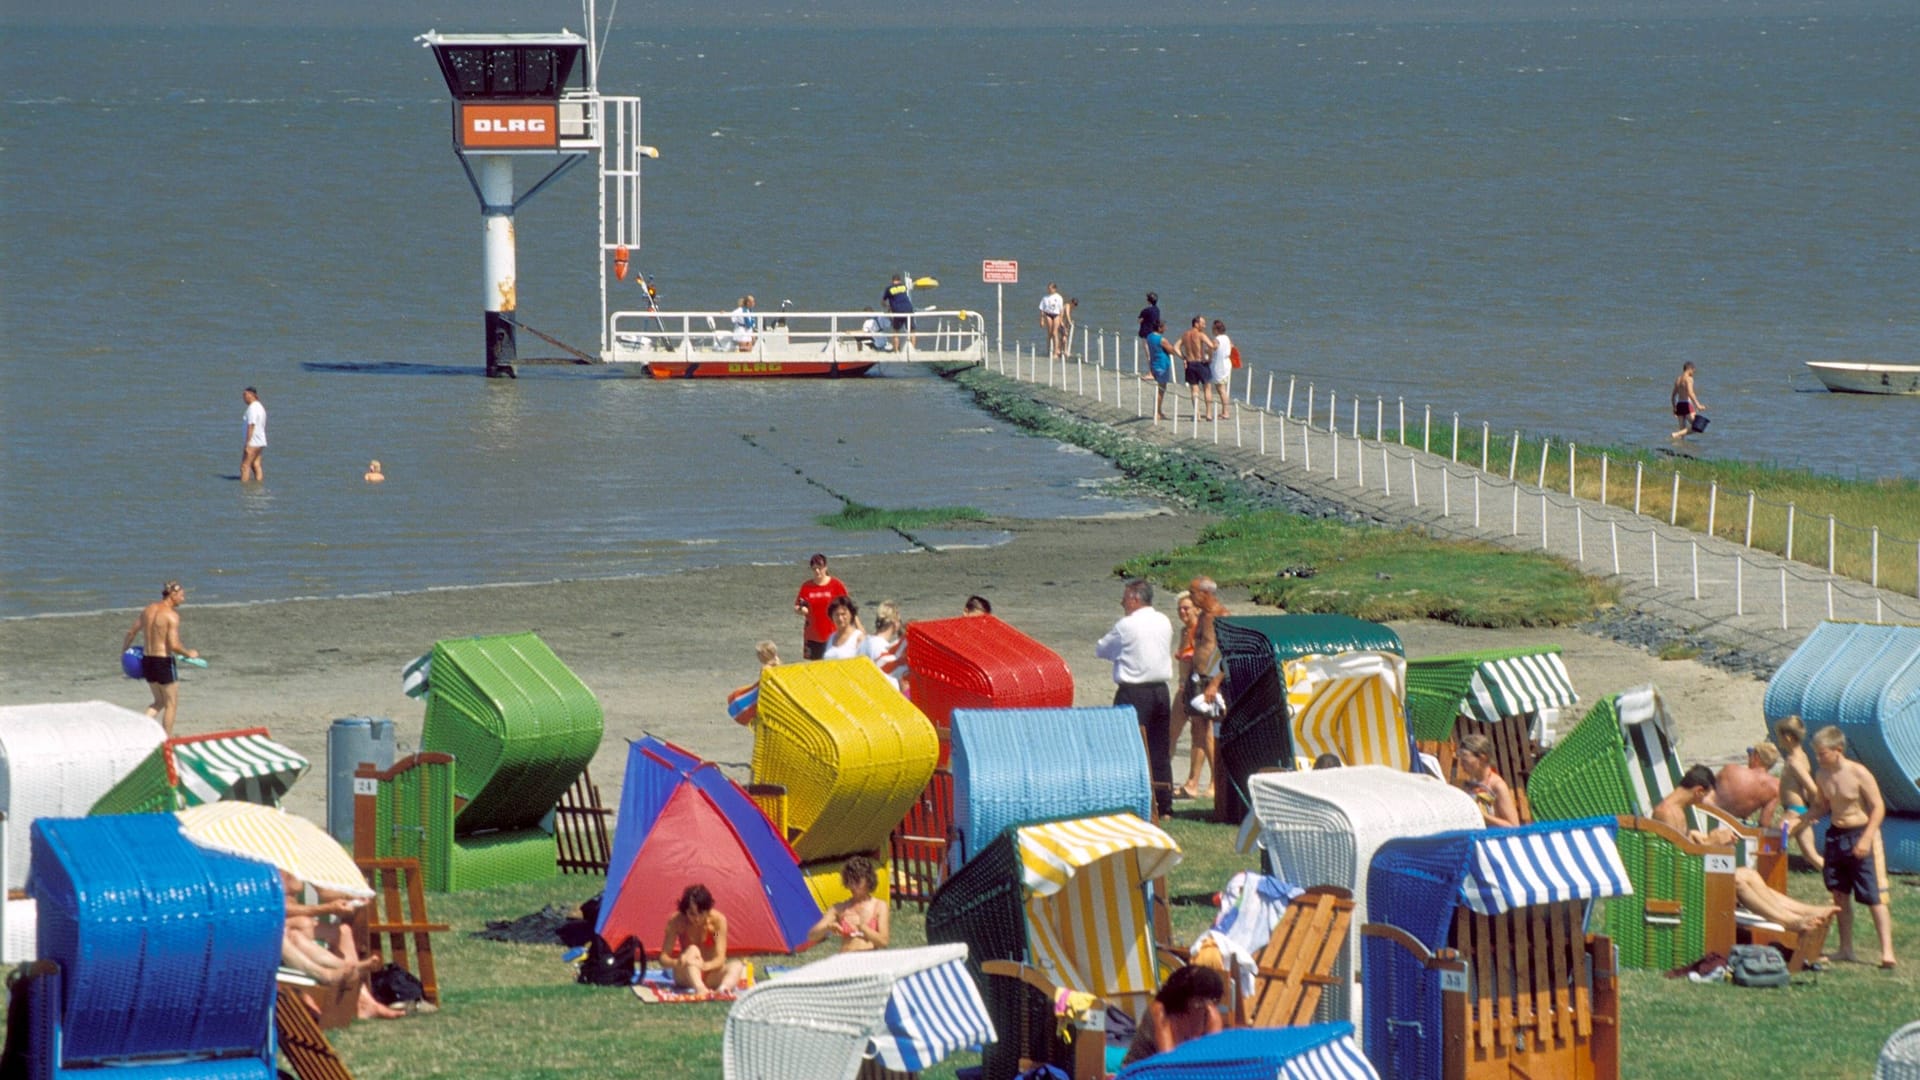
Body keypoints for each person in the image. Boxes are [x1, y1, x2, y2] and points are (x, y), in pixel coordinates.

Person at [1653, 765, 1837, 957]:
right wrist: (1710, 842)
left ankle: (1805, 911)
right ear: (1698, 790)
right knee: (1739, 880)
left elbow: (1679, 847)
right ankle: (1790, 922)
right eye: (1704, 796)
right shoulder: (1667, 813)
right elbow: (1674, 863)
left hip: (1690, 874)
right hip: (1681, 884)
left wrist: (1697, 837)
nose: (1703, 801)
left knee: (1749, 874)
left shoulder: (1675, 810)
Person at [1810, 726, 1895, 967]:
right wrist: (1802, 819)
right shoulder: (1822, 775)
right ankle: (1845, 948)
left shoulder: (1859, 773)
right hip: (1837, 836)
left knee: (1874, 895)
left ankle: (1887, 952)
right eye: (1816, 753)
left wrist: (1866, 838)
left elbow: (1878, 807)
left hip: (1861, 832)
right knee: (1839, 894)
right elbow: (1821, 805)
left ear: (1838, 750)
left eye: (1822, 753)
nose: (1818, 758)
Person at [1096, 578, 1175, 818]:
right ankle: (1164, 805)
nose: (1122, 602)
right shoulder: (1164, 620)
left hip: (1135, 690)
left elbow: (1101, 649)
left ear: (1134, 599)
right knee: (1160, 749)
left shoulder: (1126, 625)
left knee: (1126, 747)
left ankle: (1130, 800)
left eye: (1125, 597)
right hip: (1161, 690)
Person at [121, 580, 197, 736]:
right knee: (171, 704)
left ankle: (138, 731)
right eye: (181, 595)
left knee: (158, 701)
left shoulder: (148, 610)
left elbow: (131, 633)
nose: (183, 599)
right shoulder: (171, 616)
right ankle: (166, 741)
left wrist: (124, 653)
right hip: (163, 662)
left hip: (147, 660)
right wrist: (189, 653)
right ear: (173, 595)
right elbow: (174, 645)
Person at [1119, 965, 1225, 1067]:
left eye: (1210, 999)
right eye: (1199, 1000)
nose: (1205, 1004)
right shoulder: (1160, 1012)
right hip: (1142, 1070)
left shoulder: (1211, 1015)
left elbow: (1213, 1056)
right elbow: (1168, 1061)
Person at [1181, 578, 1227, 799]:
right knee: (1197, 730)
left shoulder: (1221, 616)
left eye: (1193, 593)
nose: (1191, 597)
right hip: (1197, 677)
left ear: (1206, 593)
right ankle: (1193, 782)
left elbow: (1229, 655)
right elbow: (1197, 647)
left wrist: (1215, 683)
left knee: (1214, 733)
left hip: (1212, 680)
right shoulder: (1202, 617)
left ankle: (1216, 781)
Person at [661, 884, 746, 994]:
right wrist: (677, 962)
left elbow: (720, 957)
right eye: (691, 914)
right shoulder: (677, 921)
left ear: (707, 910)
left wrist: (705, 965)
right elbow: (663, 957)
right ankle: (700, 988)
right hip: (687, 973)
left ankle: (723, 989)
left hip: (710, 973)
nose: (696, 919)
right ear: (685, 911)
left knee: (737, 965)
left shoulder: (717, 922)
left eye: (700, 914)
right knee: (693, 949)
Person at [800, 856, 891, 953]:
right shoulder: (839, 908)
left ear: (868, 880)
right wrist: (827, 927)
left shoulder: (880, 906)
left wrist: (864, 929)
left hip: (869, 959)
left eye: (857, 881)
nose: (852, 886)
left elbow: (883, 941)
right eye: (849, 881)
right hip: (845, 959)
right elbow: (811, 936)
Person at [1775, 715, 1824, 869]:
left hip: (1794, 812)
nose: (1778, 741)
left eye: (1779, 737)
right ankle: (1842, 879)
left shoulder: (1794, 762)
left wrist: (1816, 810)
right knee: (1811, 856)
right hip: (1801, 810)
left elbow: (1812, 788)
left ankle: (1765, 878)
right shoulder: (1802, 756)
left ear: (1788, 738)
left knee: (1771, 842)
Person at [1705, 742, 1781, 823]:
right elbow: (1764, 822)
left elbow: (1705, 790)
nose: (1748, 758)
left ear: (1756, 757)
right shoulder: (1775, 787)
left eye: (1750, 754)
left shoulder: (1730, 769)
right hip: (1732, 826)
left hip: (1706, 815)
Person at [1455, 733, 1519, 827]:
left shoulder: (1497, 786)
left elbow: (1513, 826)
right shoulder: (1470, 784)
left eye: (1465, 759)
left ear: (1482, 758)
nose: (1461, 764)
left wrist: (1481, 816)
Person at [794, 554, 849, 660]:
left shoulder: (836, 585)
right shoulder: (806, 587)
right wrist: (801, 610)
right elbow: (798, 605)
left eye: (820, 568)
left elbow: (847, 606)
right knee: (816, 667)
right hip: (812, 635)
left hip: (833, 633)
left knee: (833, 665)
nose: (817, 571)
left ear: (825, 567)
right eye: (814, 569)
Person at [861, 601, 906, 688]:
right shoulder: (882, 648)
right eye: (900, 621)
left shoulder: (865, 641)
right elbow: (889, 680)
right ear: (895, 622)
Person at [1178, 316, 1215, 421]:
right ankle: (1208, 414)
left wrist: (1184, 357)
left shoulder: (1185, 335)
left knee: (1194, 389)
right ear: (1196, 323)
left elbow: (1176, 347)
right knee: (1207, 388)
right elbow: (1211, 346)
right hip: (1201, 363)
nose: (1204, 325)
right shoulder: (1200, 335)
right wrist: (1210, 358)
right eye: (1202, 323)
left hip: (1190, 364)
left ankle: (1197, 414)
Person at [1145, 319, 1176, 420]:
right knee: (1161, 390)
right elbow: (1171, 351)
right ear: (1159, 328)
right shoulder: (1161, 339)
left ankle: (1158, 411)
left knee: (1159, 388)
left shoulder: (1149, 337)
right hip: (1162, 365)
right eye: (1164, 327)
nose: (1165, 329)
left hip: (1154, 364)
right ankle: (1157, 412)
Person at [820, 595, 866, 660]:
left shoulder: (858, 638)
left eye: (843, 614)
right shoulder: (831, 637)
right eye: (836, 614)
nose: (840, 618)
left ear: (851, 614)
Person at [1670, 361, 1705, 440]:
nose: (1693, 373)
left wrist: (1674, 407)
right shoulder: (1689, 379)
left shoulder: (1678, 379)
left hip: (1679, 405)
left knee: (1682, 431)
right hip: (1686, 404)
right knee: (1697, 426)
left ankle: (1681, 449)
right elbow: (1690, 393)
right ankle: (1676, 434)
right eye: (1693, 371)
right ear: (1690, 369)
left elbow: (1673, 396)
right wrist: (1698, 405)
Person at [240, 386, 267, 482]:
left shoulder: (253, 408)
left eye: (245, 395)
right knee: (256, 464)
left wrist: (247, 443)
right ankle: (259, 484)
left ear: (251, 395)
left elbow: (251, 425)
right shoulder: (260, 407)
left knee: (244, 466)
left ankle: (244, 489)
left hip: (253, 442)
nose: (243, 398)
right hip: (260, 441)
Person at [1209, 319, 1234, 421]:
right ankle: (1225, 411)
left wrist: (1208, 351)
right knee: (1222, 388)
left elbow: (1213, 347)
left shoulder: (1217, 339)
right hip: (1226, 363)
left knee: (1221, 389)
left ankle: (1226, 412)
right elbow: (1231, 346)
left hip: (1219, 366)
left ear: (1216, 329)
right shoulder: (1226, 338)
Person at [883, 273, 914, 351]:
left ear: (892, 280)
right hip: (909, 308)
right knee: (912, 330)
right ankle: (913, 349)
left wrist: (888, 306)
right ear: (899, 280)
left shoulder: (889, 288)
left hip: (898, 310)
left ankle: (896, 350)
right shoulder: (904, 286)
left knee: (896, 331)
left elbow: (883, 301)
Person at [1039, 283, 1065, 359]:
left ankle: (1056, 351)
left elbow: (1061, 310)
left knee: (1054, 333)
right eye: (1048, 288)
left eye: (1050, 288)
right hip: (1048, 314)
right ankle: (1048, 350)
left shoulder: (1059, 297)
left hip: (1056, 315)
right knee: (1049, 333)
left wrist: (1061, 320)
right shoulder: (1045, 298)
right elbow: (1042, 309)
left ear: (1054, 289)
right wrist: (1042, 319)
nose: (1049, 290)